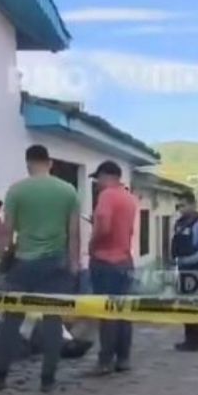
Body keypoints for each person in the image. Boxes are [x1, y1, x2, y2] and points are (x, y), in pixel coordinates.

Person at [0, 145, 81, 393]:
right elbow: (73, 233)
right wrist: (74, 263)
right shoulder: (68, 191)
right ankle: (47, 379)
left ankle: (0, 375)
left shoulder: (17, 191)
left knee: (12, 319)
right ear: (50, 163)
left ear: (28, 163)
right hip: (56, 263)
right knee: (53, 319)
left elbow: (7, 231)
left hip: (24, 263)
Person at [86, 161, 137, 375]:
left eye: (98, 178)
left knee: (106, 313)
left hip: (105, 261)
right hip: (125, 261)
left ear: (107, 176)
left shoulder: (106, 196)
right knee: (123, 311)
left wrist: (92, 243)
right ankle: (123, 358)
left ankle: (105, 361)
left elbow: (105, 227)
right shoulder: (129, 198)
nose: (96, 183)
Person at [171, 193, 198, 352]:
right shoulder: (180, 223)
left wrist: (189, 260)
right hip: (183, 270)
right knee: (185, 306)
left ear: (193, 205)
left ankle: (195, 341)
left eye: (183, 205)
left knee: (196, 307)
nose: (181, 209)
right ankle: (188, 339)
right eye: (179, 206)